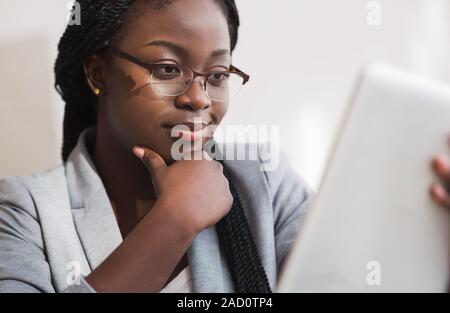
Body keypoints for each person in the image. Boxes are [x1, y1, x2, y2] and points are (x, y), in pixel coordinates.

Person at [0, 0, 447, 293]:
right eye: (169, 68)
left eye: (217, 76)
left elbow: (346, 284)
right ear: (99, 74)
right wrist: (174, 220)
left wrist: (432, 239)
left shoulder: (265, 184)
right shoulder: (23, 211)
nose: (199, 98)